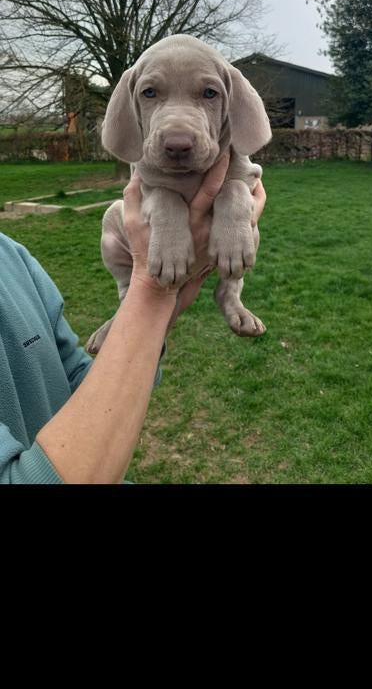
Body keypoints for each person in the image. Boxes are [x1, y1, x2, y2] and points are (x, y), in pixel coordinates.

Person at [0, 154, 266, 484]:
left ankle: (228, 294)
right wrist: (151, 293)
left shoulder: (12, 258)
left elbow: (84, 386)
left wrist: (150, 312)